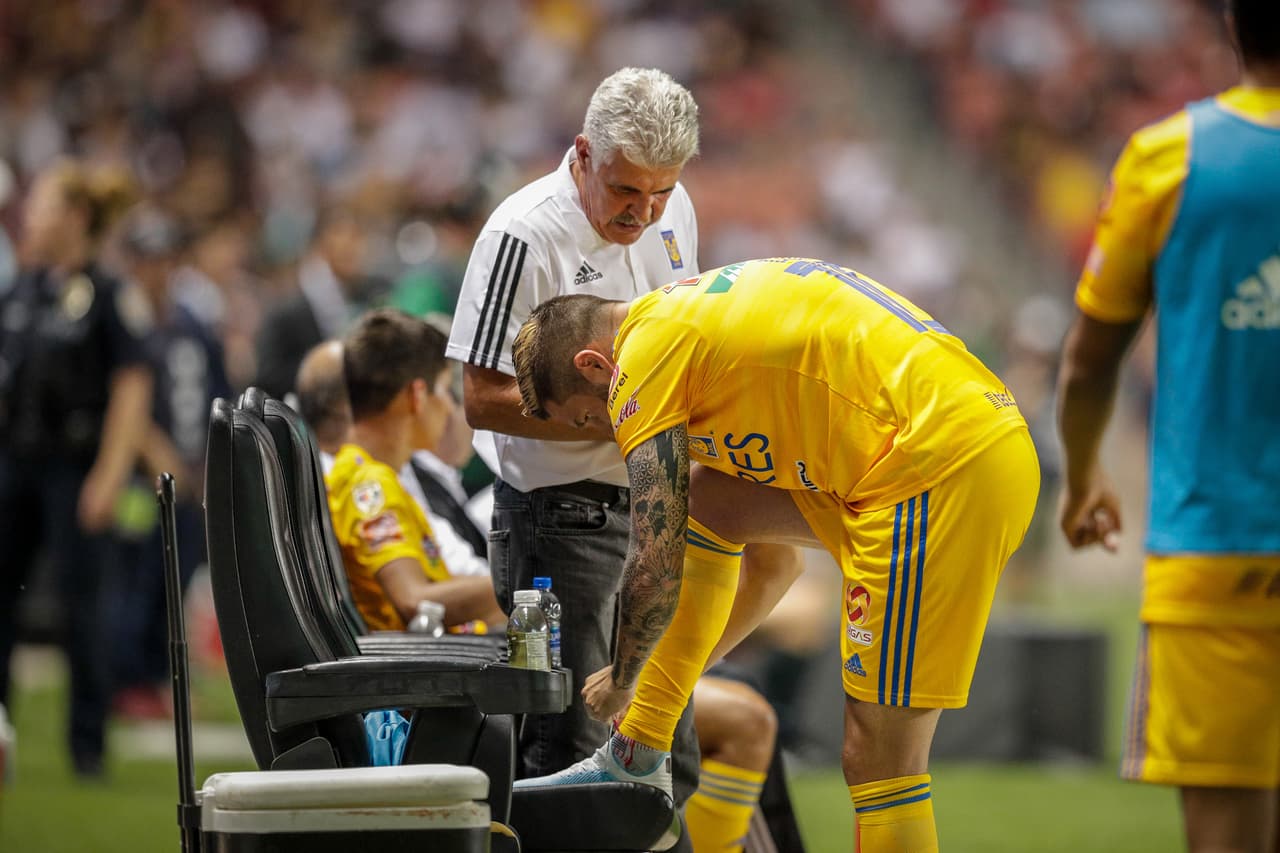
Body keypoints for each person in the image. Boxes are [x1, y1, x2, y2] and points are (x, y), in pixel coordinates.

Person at [510, 257, 1040, 852]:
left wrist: (626, 678)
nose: (607, 428)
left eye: (592, 414)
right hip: (936, 452)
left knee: (881, 761)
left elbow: (654, 556)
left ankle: (635, 747)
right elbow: (773, 564)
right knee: (713, 504)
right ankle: (638, 752)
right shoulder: (692, 330)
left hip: (934, 468)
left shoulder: (643, 356)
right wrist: (672, 681)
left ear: (593, 364)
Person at [445, 67, 804, 842]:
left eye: (661, 193)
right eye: (625, 191)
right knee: (572, 753)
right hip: (556, 521)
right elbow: (477, 396)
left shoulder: (679, 216)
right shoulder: (522, 233)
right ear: (582, 154)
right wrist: (629, 424)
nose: (643, 213)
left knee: (661, 751)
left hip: (650, 507)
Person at [1056, 4, 1280, 851]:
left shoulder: (1168, 157)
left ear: (1232, 24)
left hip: (1214, 556)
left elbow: (1089, 360)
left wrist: (1084, 479)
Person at [0, 159, 152, 778]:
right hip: (16, 462)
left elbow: (133, 385)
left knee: (82, 606)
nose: (30, 216)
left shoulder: (111, 294)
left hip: (77, 467)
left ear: (75, 217)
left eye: (41, 204)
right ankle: (0, 732)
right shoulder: (23, 289)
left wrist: (110, 473)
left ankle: (87, 746)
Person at [109, 206, 230, 720]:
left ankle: (158, 679)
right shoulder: (121, 322)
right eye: (146, 258)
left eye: (163, 258)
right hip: (138, 482)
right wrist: (150, 451)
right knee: (133, 580)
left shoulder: (191, 326)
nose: (155, 268)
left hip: (189, 479)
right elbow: (116, 401)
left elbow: (218, 393)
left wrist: (206, 461)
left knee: (173, 580)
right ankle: (127, 680)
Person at [325, 309, 504, 631]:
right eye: (445, 390)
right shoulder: (368, 485)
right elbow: (413, 600)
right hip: (428, 672)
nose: (450, 407)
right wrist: (521, 590)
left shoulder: (374, 473)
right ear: (417, 396)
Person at [254, 206, 388, 400]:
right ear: (320, 247)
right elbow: (268, 376)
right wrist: (327, 371)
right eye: (343, 243)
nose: (352, 250)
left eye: (356, 240)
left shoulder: (372, 292)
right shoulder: (288, 308)